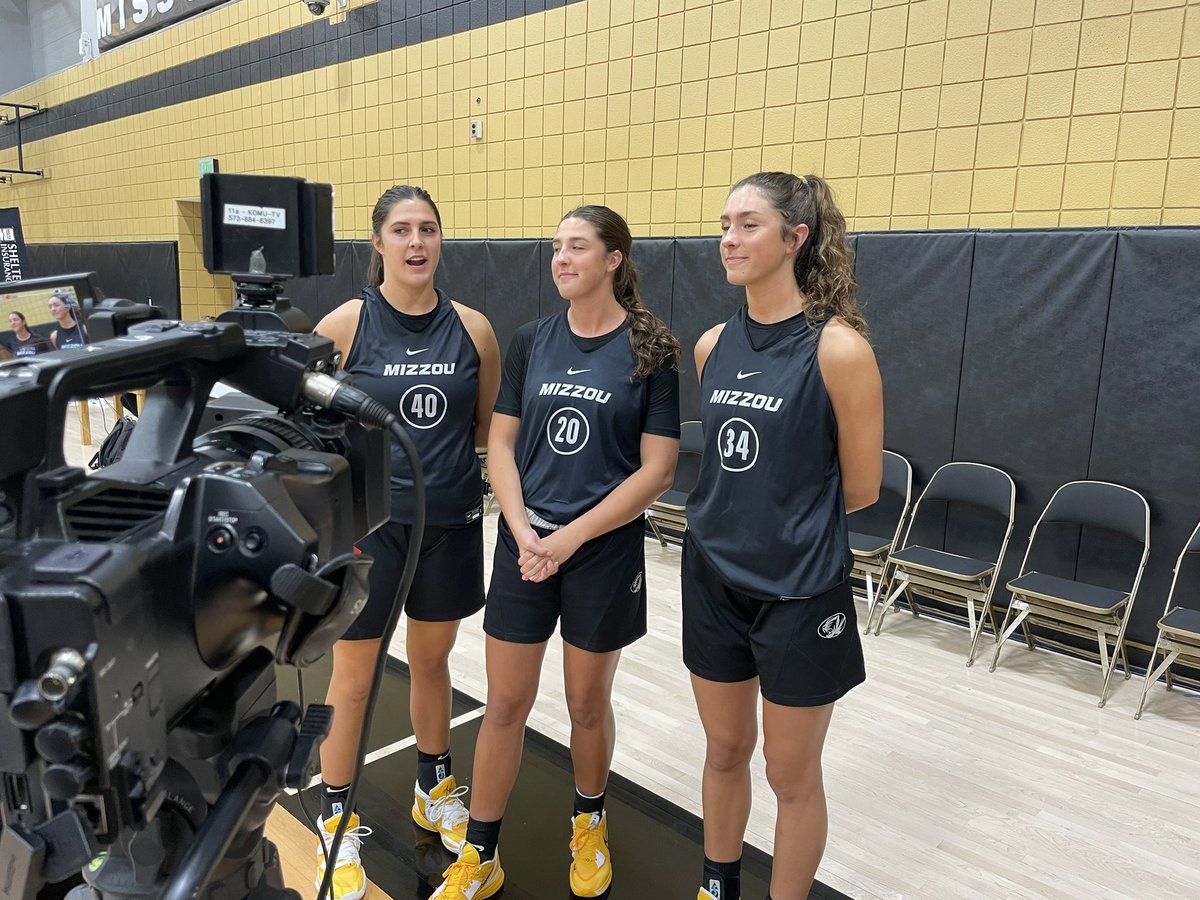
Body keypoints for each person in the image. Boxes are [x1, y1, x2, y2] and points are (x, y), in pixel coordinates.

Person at [432, 206, 681, 899]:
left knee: (585, 704)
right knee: (504, 703)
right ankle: (481, 854)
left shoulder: (651, 349)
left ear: (613, 260)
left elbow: (658, 470)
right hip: (526, 545)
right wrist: (521, 530)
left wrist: (570, 539)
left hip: (601, 552)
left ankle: (589, 821)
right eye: (556, 247)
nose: (561, 259)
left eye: (577, 247)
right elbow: (501, 443)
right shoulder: (531, 340)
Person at [684, 172, 883, 900]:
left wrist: (782, 521)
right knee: (725, 748)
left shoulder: (839, 351)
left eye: (748, 225)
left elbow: (860, 488)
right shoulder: (711, 345)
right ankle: (718, 886)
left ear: (796, 238)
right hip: (713, 578)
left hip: (799, 591)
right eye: (724, 225)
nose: (729, 239)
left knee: (790, 774)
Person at [313, 185, 500, 900]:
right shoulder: (346, 324)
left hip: (448, 523)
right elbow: (306, 424)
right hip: (368, 531)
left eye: (428, 229)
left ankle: (432, 786)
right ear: (379, 243)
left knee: (432, 662)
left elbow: (485, 428)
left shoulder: (474, 328)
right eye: (402, 229)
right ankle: (335, 818)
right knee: (354, 678)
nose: (416, 242)